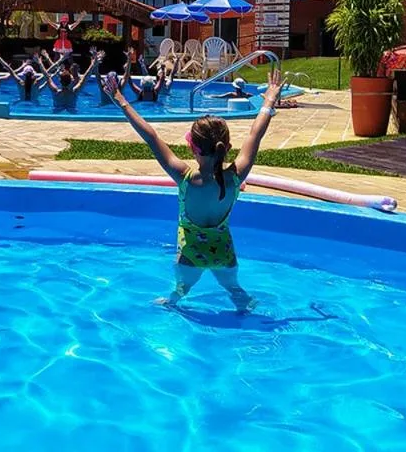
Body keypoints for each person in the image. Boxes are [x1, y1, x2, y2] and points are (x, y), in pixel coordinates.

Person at [105, 69, 285, 313]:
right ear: (226, 147)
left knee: (179, 293)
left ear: (193, 147)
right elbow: (256, 134)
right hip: (225, 253)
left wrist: (122, 100)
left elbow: (151, 136)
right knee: (235, 291)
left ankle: (173, 301)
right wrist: (269, 100)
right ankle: (245, 306)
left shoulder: (184, 176)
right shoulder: (236, 176)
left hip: (190, 255)